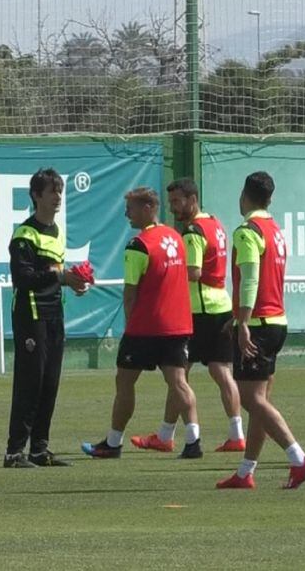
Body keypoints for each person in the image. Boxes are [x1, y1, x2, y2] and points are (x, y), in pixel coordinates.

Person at [81, 187, 199, 459]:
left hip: (146, 328)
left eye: (131, 209)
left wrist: (130, 327)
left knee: (124, 382)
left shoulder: (139, 245)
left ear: (147, 208)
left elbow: (130, 292)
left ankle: (113, 443)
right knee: (179, 383)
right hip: (178, 324)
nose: (126, 214)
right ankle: (194, 440)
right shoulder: (176, 237)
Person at [218, 171, 305, 490]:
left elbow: (250, 278)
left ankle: (299, 459)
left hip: (259, 322)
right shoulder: (274, 230)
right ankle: (246, 471)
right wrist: (236, 318)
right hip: (277, 321)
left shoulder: (247, 231)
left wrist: (243, 321)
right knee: (259, 399)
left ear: (243, 195)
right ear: (270, 199)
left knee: (251, 398)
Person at [131, 178, 244, 458]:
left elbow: (192, 272)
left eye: (178, 202)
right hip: (220, 303)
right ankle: (236, 434)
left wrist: (163, 274)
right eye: (170, 203)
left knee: (178, 377)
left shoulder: (193, 232)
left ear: (193, 200)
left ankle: (169, 436)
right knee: (219, 373)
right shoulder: (215, 224)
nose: (174, 208)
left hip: (197, 310)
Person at [4, 169, 88, 468]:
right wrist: (58, 275)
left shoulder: (57, 232)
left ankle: (39, 449)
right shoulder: (24, 235)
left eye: (60, 191)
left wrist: (72, 281)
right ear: (36, 196)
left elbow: (55, 275)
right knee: (30, 382)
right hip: (30, 315)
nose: (58, 197)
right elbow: (23, 279)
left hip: (54, 314)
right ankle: (14, 452)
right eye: (52, 192)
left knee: (50, 382)